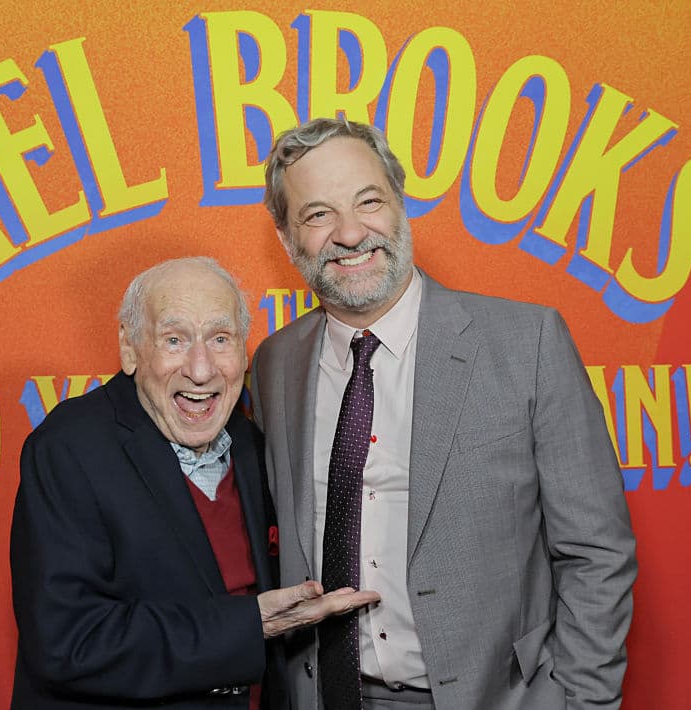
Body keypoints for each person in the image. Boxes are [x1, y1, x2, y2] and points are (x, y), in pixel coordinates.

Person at [250, 118, 637, 710]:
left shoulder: (526, 342)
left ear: (400, 204)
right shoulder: (275, 364)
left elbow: (596, 551)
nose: (351, 233)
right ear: (287, 239)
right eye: (318, 214)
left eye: (369, 201)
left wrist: (580, 702)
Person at [10, 257, 379, 709]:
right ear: (130, 348)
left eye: (220, 339)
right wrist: (251, 624)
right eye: (174, 340)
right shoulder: (68, 449)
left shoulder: (251, 443)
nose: (201, 370)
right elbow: (67, 642)